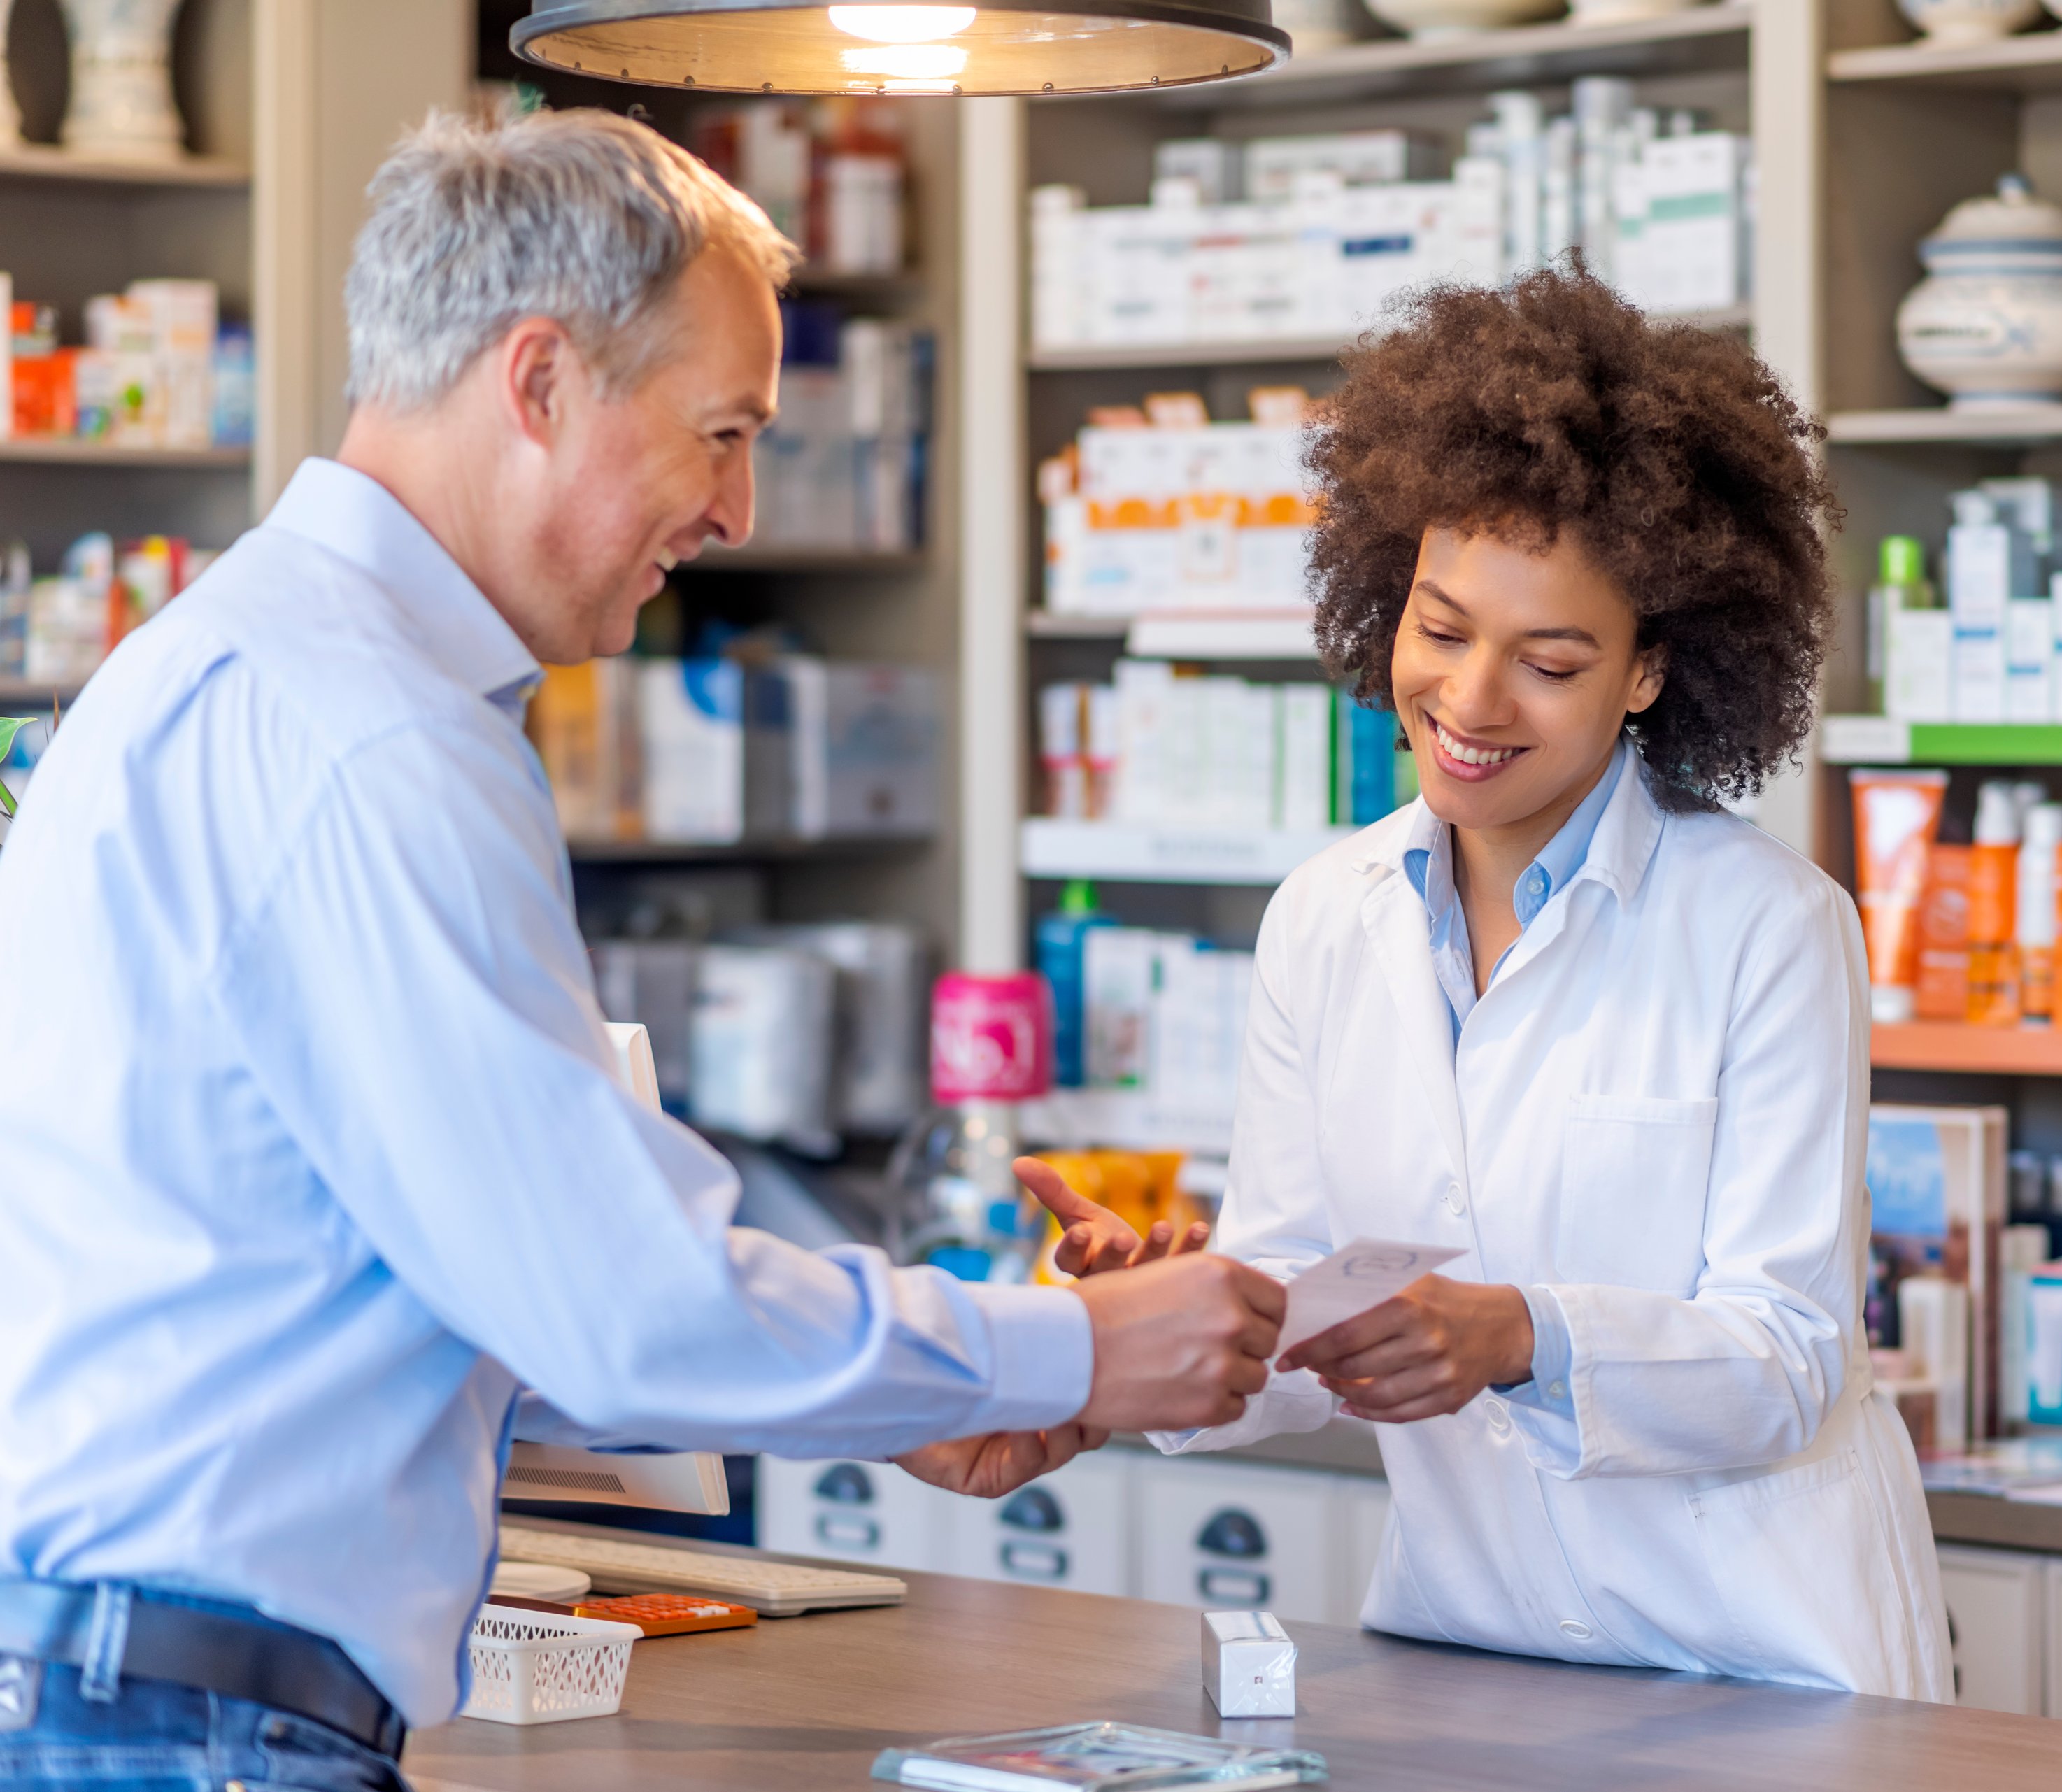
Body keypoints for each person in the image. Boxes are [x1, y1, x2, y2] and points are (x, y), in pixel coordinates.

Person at [0, 108, 1283, 1791]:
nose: (738, 509)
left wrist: (912, 1392)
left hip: (122, 1691)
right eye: (721, 433)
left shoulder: (233, 665)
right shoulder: (372, 733)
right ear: (540, 381)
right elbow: (617, 1301)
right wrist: (1085, 1348)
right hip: (187, 1726)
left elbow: (454, 1296)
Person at [1030, 268, 1951, 1699]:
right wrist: (1182, 1311)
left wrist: (1521, 1335)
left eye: (1551, 662)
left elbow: (1790, 1359)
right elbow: (1300, 1314)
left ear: (1646, 672)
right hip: (1471, 1645)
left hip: (1758, 1663)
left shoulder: (1769, 926)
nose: (1468, 703)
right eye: (1443, 629)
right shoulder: (1323, 919)